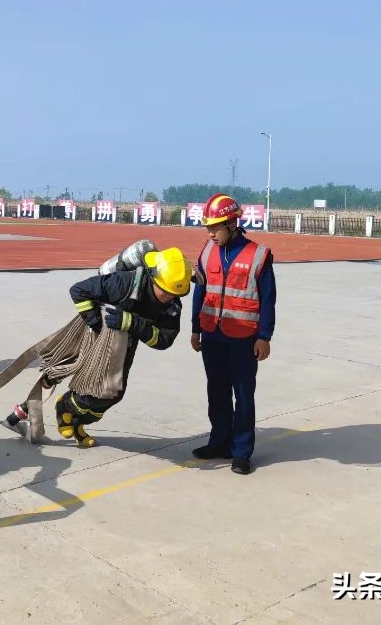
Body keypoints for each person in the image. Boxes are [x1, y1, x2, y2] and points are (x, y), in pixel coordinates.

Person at [58, 247, 189, 445]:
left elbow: (164, 340)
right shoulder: (123, 283)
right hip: (99, 339)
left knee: (114, 394)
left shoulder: (171, 305)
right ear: (153, 278)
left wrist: (133, 324)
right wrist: (96, 324)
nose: (168, 297)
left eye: (173, 294)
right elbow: (78, 290)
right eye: (165, 291)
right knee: (95, 388)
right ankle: (65, 405)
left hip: (126, 344)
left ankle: (76, 421)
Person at [189, 193, 276, 475]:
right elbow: (200, 292)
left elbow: (268, 299)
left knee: (243, 394)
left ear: (232, 224)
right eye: (208, 228)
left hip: (244, 338)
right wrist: (195, 328)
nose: (211, 234)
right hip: (212, 334)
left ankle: (241, 452)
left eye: (215, 228)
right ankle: (218, 443)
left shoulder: (258, 255)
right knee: (216, 391)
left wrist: (264, 336)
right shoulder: (207, 251)